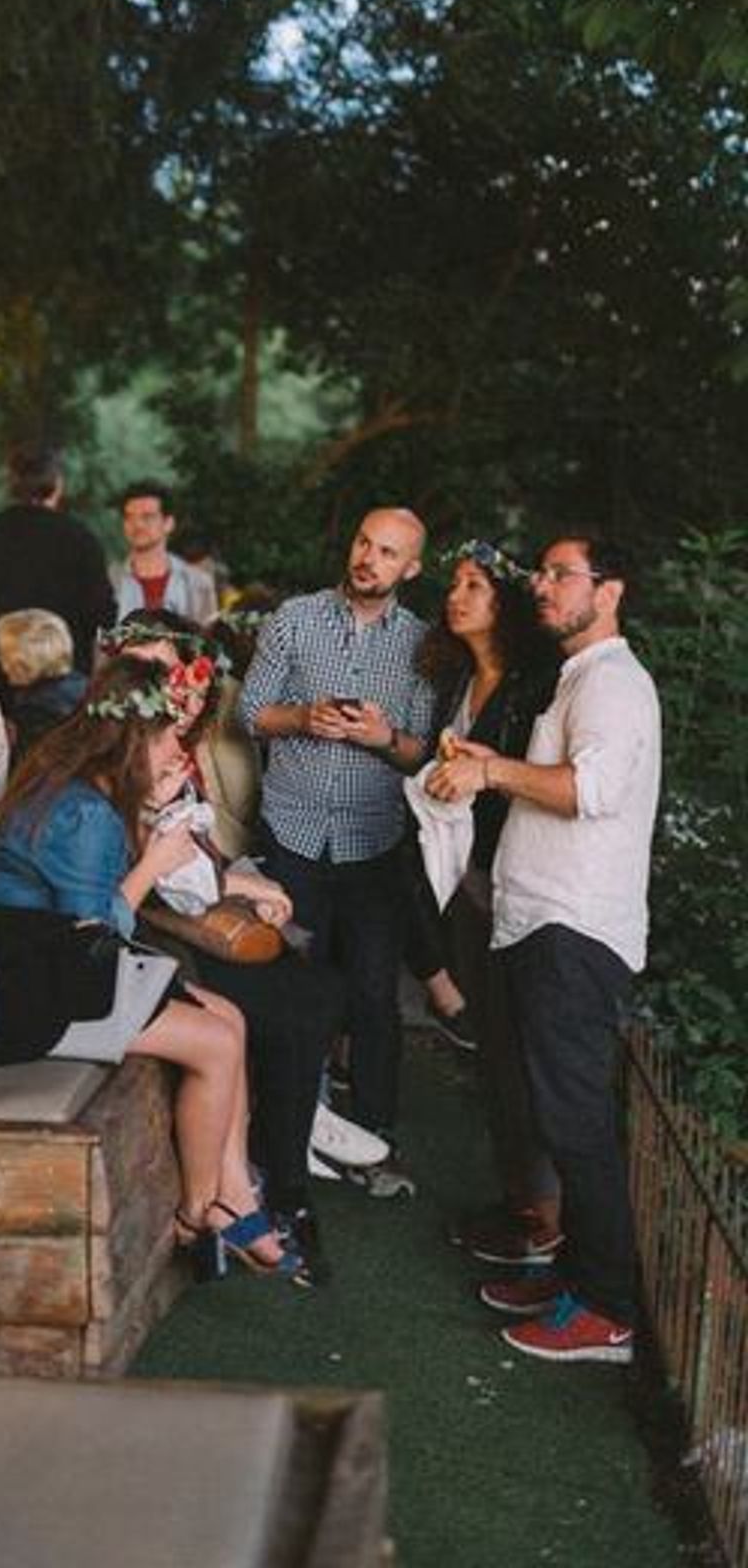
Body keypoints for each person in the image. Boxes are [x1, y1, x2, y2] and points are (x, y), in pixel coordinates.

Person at [0, 655, 306, 1284]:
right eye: (164, 738)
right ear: (130, 740)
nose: (175, 751)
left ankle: (231, 1194)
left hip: (44, 961)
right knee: (215, 1042)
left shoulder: (76, 783)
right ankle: (196, 1214)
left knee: (230, 1016)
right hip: (26, 990)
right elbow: (94, 940)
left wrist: (149, 822)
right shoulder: (84, 813)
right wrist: (154, 860)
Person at [428, 532, 660, 1364]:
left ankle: (608, 1310)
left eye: (565, 575)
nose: (546, 587)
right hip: (537, 924)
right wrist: (492, 759)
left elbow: (590, 791)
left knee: (576, 1122)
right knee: (549, 1113)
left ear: (610, 591)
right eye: (545, 575)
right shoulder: (578, 679)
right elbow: (554, 780)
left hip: (575, 930)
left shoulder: (616, 685)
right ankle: (573, 1278)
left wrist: (493, 774)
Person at [103, 613, 389, 1277]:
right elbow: (129, 866)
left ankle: (281, 1163)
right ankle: (279, 1187)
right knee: (289, 1007)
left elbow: (211, 838)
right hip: (149, 930)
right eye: (151, 671)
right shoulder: (114, 741)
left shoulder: (189, 732)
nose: (170, 686)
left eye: (176, 672)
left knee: (318, 987)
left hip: (186, 906)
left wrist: (238, 881)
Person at [240, 507, 436, 1196]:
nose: (368, 559)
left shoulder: (421, 645)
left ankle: (377, 1142)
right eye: (362, 543)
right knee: (296, 991)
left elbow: (423, 755)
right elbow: (249, 712)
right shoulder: (294, 618)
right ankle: (293, 1136)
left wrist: (384, 738)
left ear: (409, 568)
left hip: (371, 844)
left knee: (374, 997)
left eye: (387, 553)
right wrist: (302, 718)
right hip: (291, 830)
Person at [407, 542, 561, 1261]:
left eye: (475, 586)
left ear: (507, 603)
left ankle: (546, 1215)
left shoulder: (537, 686)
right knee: (496, 1052)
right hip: (466, 883)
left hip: (520, 884)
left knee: (527, 1054)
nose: (456, 597)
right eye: (454, 585)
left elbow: (532, 781)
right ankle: (518, 1204)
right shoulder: (457, 682)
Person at [0, 444, 115, 700]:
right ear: (57, 484)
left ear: (11, 484)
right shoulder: (81, 540)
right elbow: (103, 615)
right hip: (60, 689)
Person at [112, 481, 219, 624]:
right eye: (129, 517)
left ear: (169, 523)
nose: (137, 525)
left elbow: (209, 640)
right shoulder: (110, 581)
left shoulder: (198, 582)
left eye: (147, 517)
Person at [0, 608, 87, 763]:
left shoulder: (38, 709)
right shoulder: (79, 682)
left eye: (4, 654)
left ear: (24, 661)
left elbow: (31, 771)